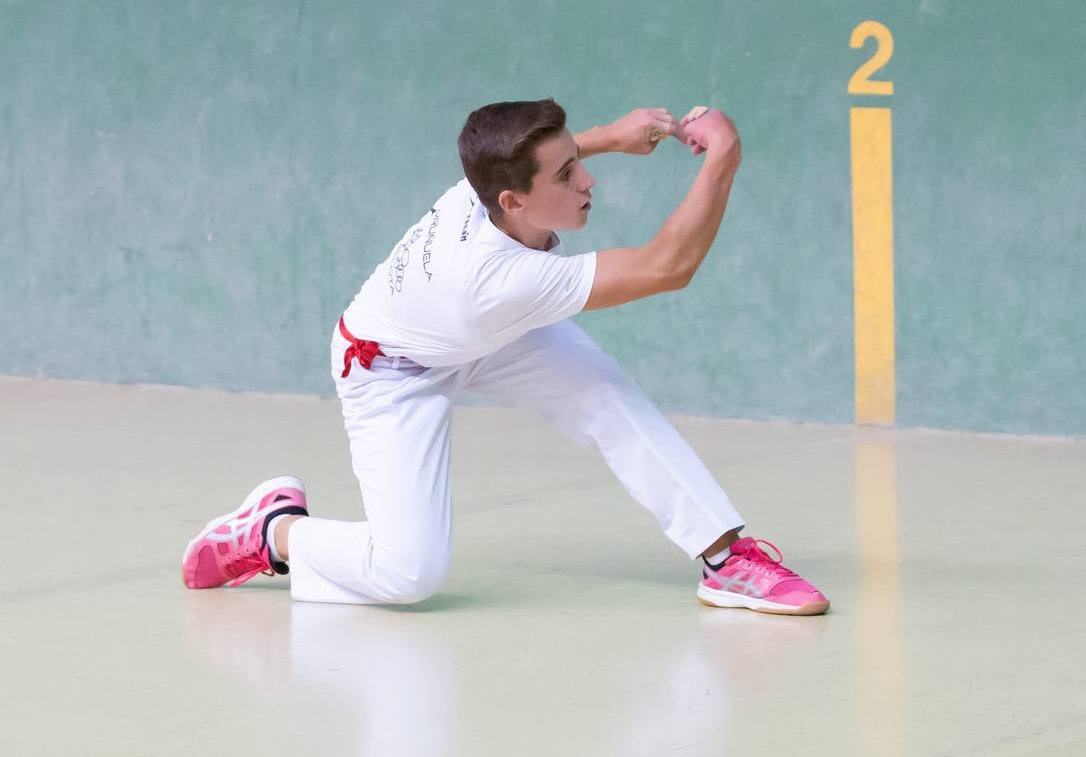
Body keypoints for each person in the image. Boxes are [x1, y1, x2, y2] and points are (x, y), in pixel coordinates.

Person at [179, 100, 828, 616]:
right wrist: (723, 158)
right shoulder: (500, 278)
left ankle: (727, 560)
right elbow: (669, 267)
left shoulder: (487, 180)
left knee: (606, 395)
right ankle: (272, 532)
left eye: (578, 161)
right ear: (513, 202)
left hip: (477, 331)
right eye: (568, 174)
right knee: (407, 573)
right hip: (390, 367)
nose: (588, 180)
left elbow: (542, 164)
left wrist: (609, 133)